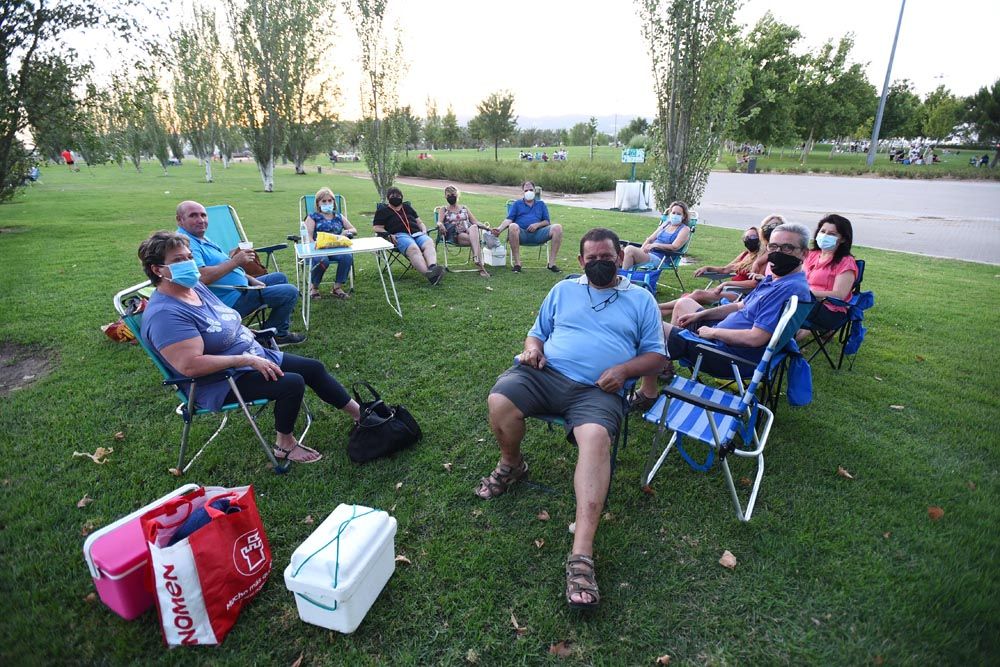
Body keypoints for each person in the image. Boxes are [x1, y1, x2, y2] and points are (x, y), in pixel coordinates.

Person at [475, 228, 666, 609]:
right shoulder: (563, 290)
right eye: (591, 258)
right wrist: (531, 352)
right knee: (499, 400)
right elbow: (536, 335)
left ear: (620, 258)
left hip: (599, 389)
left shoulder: (641, 299)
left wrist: (625, 370)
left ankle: (581, 555)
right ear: (580, 262)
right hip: (547, 374)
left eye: (606, 257)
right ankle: (512, 465)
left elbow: (657, 358)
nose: (599, 263)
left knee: (595, 438)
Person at [137, 231, 360, 463]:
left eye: (189, 257)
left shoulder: (194, 288)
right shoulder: (165, 315)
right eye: (178, 260)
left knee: (312, 368)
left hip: (250, 355)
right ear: (157, 269)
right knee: (291, 383)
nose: (189, 264)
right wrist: (246, 360)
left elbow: (219, 322)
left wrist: (248, 340)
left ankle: (360, 415)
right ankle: (284, 445)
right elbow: (191, 366)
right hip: (219, 380)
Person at [631, 223, 814, 410]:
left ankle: (648, 392)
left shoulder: (787, 290)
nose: (778, 252)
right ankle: (663, 363)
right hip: (724, 338)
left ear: (804, 253)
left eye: (787, 248)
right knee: (683, 304)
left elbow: (756, 337)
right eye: (773, 247)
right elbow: (740, 305)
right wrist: (702, 315)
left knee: (651, 327)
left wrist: (712, 332)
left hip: (727, 355)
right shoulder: (778, 281)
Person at [174, 200, 305, 346]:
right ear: (180, 220)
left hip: (241, 287)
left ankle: (274, 324)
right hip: (229, 300)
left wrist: (249, 278)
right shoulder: (185, 244)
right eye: (193, 216)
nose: (201, 220)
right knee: (289, 292)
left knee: (280, 278)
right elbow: (201, 277)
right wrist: (236, 261)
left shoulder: (200, 237)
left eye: (203, 215)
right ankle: (276, 336)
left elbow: (224, 264)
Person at [657, 219, 774, 319]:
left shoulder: (761, 259)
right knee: (692, 296)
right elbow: (725, 270)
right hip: (729, 289)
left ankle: (656, 307)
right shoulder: (744, 255)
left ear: (760, 239)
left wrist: (726, 283)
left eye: (753, 236)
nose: (749, 239)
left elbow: (755, 283)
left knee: (698, 294)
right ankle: (658, 312)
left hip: (740, 294)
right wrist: (708, 267)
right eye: (746, 237)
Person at [372, 186, 445, 285]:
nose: (396, 197)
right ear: (388, 198)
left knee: (428, 242)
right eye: (393, 196)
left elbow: (419, 222)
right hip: (399, 235)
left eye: (398, 195)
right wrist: (388, 234)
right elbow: (377, 227)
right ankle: (429, 275)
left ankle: (432, 267)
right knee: (413, 248)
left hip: (417, 233)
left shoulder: (407, 207)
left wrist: (424, 230)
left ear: (402, 197)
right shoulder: (383, 211)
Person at [802, 214, 858, 333]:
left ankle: (775, 342)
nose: (825, 236)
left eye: (832, 234)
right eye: (822, 231)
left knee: (786, 305)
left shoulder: (846, 262)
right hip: (806, 302)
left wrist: (805, 293)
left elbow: (839, 295)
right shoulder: (812, 255)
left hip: (830, 310)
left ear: (843, 239)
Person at [492, 180, 563, 273]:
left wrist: (537, 225)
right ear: (523, 192)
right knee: (513, 226)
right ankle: (517, 264)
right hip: (522, 234)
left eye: (530, 190)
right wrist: (499, 229)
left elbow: (547, 221)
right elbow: (509, 219)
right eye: (526, 190)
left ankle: (552, 264)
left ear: (534, 191)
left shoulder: (541, 204)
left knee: (558, 227)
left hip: (538, 234)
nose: (528, 192)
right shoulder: (517, 204)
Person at [302, 187, 357, 299]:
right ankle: (314, 287)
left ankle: (337, 287)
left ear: (333, 202)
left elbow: (354, 230)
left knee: (347, 256)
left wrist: (346, 231)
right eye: (324, 201)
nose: (327, 203)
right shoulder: (313, 217)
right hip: (319, 249)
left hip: (337, 248)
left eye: (329, 200)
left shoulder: (338, 216)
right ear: (318, 203)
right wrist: (314, 247)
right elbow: (307, 236)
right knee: (322, 260)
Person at [435, 185, 492, 277]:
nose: (451, 197)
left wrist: (487, 228)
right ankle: (480, 267)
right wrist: (440, 225)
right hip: (456, 234)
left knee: (473, 227)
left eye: (452, 194)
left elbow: (475, 222)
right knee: (475, 240)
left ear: (457, 195)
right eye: (448, 195)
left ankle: (476, 258)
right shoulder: (443, 209)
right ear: (445, 197)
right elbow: (439, 222)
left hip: (469, 231)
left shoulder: (464, 208)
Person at [621, 201, 691, 270]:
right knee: (619, 251)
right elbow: (650, 239)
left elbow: (675, 246)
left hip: (662, 258)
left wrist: (655, 245)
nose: (675, 215)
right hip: (649, 254)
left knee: (629, 250)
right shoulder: (666, 224)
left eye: (678, 214)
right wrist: (642, 250)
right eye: (673, 213)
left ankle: (625, 277)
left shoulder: (685, 229)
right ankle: (624, 276)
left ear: (684, 216)